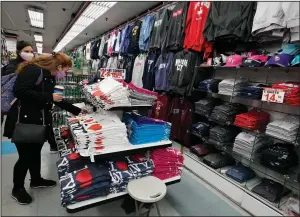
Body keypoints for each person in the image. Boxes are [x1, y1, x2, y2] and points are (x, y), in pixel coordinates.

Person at [3, 52, 83, 205]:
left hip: (38, 121)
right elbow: (20, 91)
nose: (65, 73)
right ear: (59, 66)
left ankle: (36, 179)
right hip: (23, 122)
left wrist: (78, 111)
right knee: (25, 157)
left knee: (35, 152)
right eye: (65, 70)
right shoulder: (33, 70)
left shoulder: (49, 75)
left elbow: (56, 98)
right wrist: (48, 97)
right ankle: (17, 188)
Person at [1, 41, 34, 124]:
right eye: (26, 51)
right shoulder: (12, 66)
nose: (30, 54)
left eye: (31, 52)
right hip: (13, 105)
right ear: (19, 52)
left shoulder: (30, 65)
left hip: (22, 105)